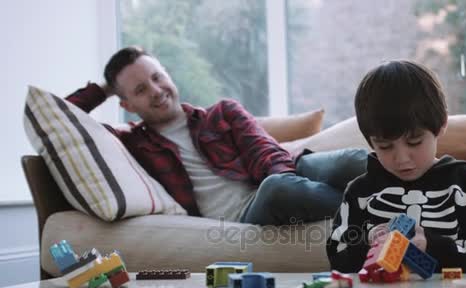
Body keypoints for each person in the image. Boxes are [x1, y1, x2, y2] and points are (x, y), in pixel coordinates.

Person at [66, 46, 367, 225]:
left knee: (348, 161)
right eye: (140, 90)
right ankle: (377, 211)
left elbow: (265, 152)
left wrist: (291, 177)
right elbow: (64, 117)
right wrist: (104, 89)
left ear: (167, 75)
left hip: (281, 173)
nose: (156, 91)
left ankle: (410, 191)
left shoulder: (222, 113)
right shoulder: (131, 144)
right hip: (247, 213)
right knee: (278, 189)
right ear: (126, 105)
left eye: (157, 77)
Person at [326, 60, 466, 273]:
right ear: (370, 142)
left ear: (441, 125)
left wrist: (433, 246)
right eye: (384, 146)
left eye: (414, 142)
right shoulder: (359, 192)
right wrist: (370, 244)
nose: (401, 159)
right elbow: (338, 257)